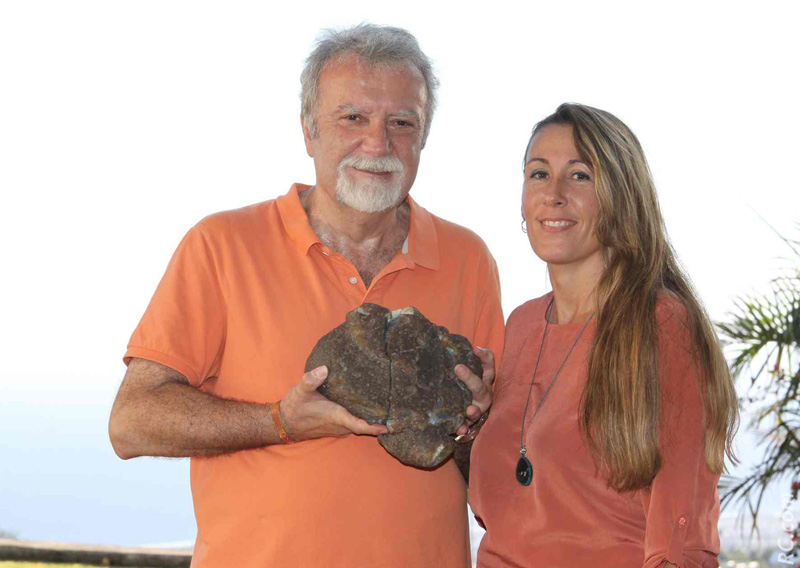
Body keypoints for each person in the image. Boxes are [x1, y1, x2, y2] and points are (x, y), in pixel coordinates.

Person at [108, 24, 504, 568]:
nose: (378, 143)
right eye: (353, 118)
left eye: (401, 122)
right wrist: (279, 422)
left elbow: (489, 467)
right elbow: (132, 422)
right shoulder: (223, 245)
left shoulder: (468, 258)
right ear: (308, 131)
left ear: (424, 137)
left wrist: (478, 424)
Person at [469, 103, 739, 568]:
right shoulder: (520, 325)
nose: (553, 195)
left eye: (579, 176)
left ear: (622, 195)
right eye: (538, 174)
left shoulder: (660, 326)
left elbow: (682, 535)